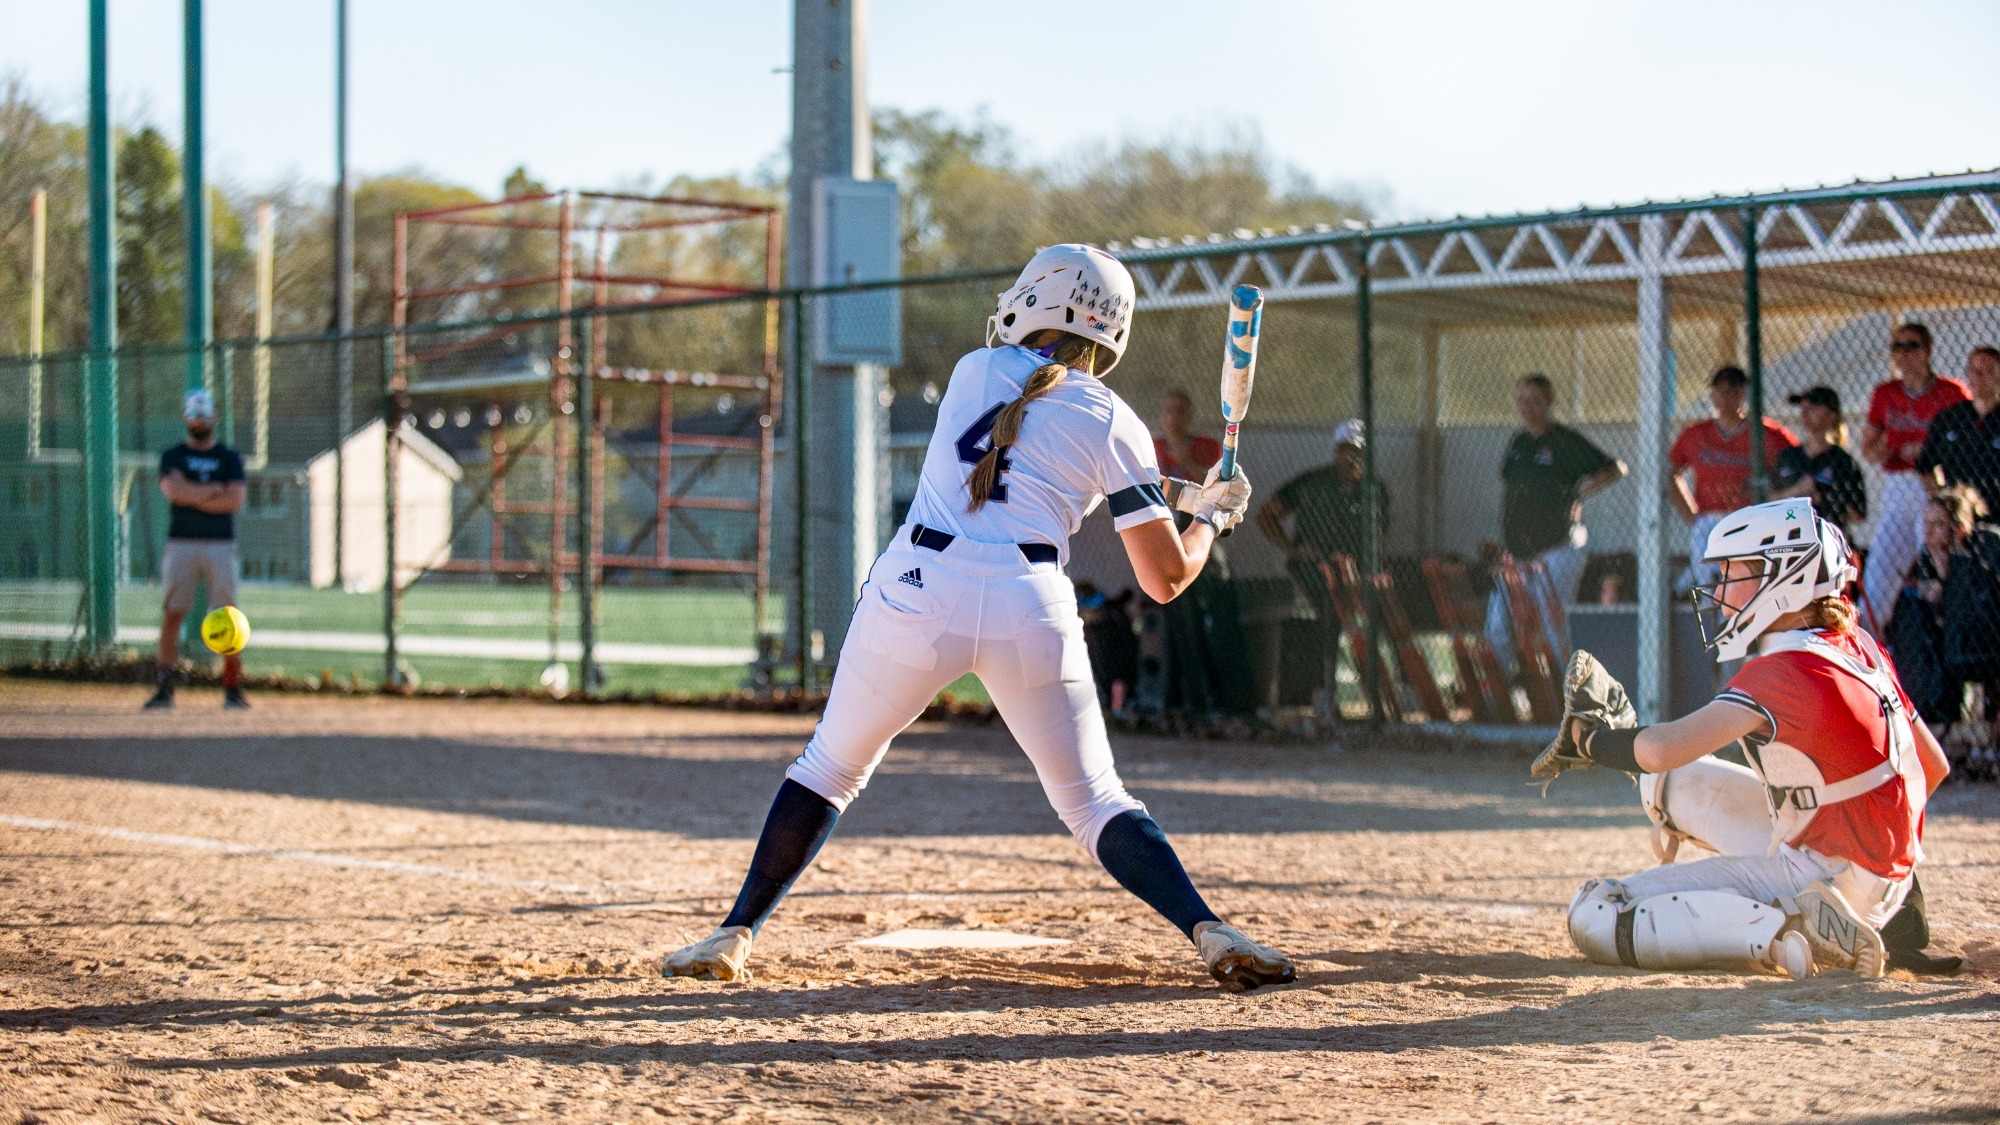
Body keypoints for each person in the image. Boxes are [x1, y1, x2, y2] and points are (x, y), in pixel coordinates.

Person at [661, 244, 1294, 991]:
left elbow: (1028, 441)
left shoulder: (971, 372)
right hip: (1029, 603)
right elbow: (1163, 576)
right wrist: (1210, 521)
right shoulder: (1113, 419)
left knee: (828, 768)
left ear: (1040, 304)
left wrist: (1193, 496)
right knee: (1095, 802)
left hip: (917, 589)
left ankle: (734, 932)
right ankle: (1209, 929)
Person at [1547, 497, 1951, 979]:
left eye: (1731, 574)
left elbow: (1657, 750)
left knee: (1595, 913)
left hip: (1825, 881)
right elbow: (1933, 767)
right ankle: (1874, 914)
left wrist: (1590, 740)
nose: (1718, 589)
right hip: (1886, 878)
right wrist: (1875, 847)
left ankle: (1787, 933)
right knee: (1666, 784)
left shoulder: (1780, 668)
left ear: (1782, 579)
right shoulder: (1860, 644)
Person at [1485, 374, 1626, 668]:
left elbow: (1614, 469)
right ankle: (1498, 700)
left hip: (1556, 548)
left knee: (1553, 626)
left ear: (1548, 402)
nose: (1527, 407)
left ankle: (1565, 696)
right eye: (1522, 400)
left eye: (1535, 401)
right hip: (1517, 551)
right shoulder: (1519, 441)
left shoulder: (1563, 440)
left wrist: (1579, 494)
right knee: (1499, 624)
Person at [1256, 420, 1390, 711]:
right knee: (1329, 613)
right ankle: (1324, 694)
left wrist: (1365, 570)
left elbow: (1380, 538)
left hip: (1357, 572)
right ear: (1335, 451)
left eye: (1356, 450)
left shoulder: (1375, 490)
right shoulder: (1313, 483)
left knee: (1373, 616)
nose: (1350, 457)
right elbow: (1266, 514)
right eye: (1344, 449)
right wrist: (1293, 549)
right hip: (1314, 569)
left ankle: (1378, 696)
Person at [1149, 391, 1251, 717]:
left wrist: (1181, 452)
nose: (1174, 418)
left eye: (1181, 411)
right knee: (1178, 621)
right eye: (1169, 410)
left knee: (1217, 615)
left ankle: (1229, 701)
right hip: (1165, 536)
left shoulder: (1209, 447)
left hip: (1202, 534)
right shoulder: (1149, 447)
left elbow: (1214, 494)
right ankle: (1185, 702)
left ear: (1190, 414)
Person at [146, 389, 249, 710]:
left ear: (215, 416)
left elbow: (234, 500)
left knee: (228, 617)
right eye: (193, 414)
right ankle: (165, 688)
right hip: (181, 544)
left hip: (220, 545)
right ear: (185, 417)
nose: (199, 420)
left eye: (204, 414)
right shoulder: (172, 456)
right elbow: (173, 492)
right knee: (173, 613)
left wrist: (192, 493)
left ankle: (232, 688)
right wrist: (213, 490)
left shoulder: (229, 458)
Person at [1861, 322, 1968, 629]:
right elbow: (1869, 448)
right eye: (1898, 347)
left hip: (1934, 488)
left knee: (1936, 566)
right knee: (1880, 572)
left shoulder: (1950, 392)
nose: (1904, 354)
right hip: (1898, 486)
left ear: (1928, 351)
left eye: (1912, 346)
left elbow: (1964, 443)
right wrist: (1888, 446)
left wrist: (1927, 449)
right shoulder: (1886, 393)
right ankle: (1868, 643)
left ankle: (1945, 637)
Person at [1668, 366, 1800, 589]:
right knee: (1710, 585)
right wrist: (1692, 516)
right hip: (1709, 518)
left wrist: (1771, 493)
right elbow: (1670, 475)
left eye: (1730, 390)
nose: (1723, 396)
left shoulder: (1767, 434)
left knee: (1743, 586)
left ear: (1742, 393)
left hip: (1750, 518)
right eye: (1718, 390)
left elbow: (1793, 471)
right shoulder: (1696, 434)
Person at [1915, 345, 2000, 517]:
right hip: (1960, 515)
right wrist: (1941, 498)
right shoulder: (1950, 418)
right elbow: (1925, 466)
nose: (1979, 377)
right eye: (1974, 370)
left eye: (1988, 371)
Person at [1772, 385, 1867, 538]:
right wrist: (1796, 491)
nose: (1805, 412)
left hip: (1828, 539)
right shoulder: (1788, 456)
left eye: (1813, 407)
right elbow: (1766, 499)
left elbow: (1857, 514)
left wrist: (1823, 499)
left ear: (1831, 416)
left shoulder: (1842, 461)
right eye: (1802, 407)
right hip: (1789, 538)